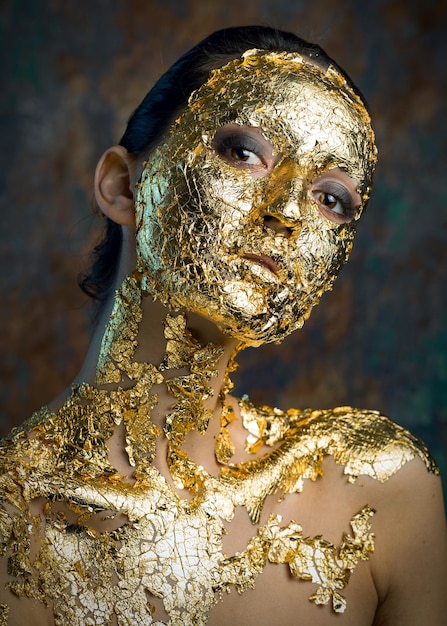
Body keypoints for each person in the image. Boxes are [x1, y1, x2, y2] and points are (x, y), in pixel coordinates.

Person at [0, 25, 445, 626]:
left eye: (331, 197)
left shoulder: (379, 487)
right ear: (124, 186)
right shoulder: (10, 510)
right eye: (244, 152)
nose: (287, 211)